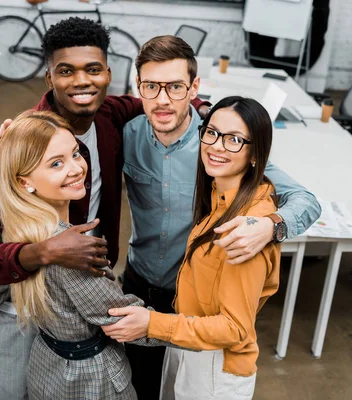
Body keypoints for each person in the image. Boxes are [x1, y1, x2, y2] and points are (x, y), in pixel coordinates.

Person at [0, 18, 208, 400]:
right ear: (49, 78)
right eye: (66, 71)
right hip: (25, 308)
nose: (81, 82)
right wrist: (44, 251)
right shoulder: (15, 147)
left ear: (109, 74)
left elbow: (160, 98)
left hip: (86, 301)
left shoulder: (109, 115)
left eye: (93, 69)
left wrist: (202, 106)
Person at [98, 36, 321, 399]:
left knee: (192, 384)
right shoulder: (128, 135)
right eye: (151, 87)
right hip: (138, 283)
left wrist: (270, 226)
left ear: (194, 87)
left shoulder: (219, 146)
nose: (163, 99)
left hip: (193, 296)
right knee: (143, 385)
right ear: (138, 88)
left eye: (175, 86)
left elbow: (305, 200)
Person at [0, 110, 169, 399]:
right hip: (92, 382)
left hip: (45, 368)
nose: (76, 168)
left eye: (75, 154)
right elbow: (123, 319)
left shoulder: (13, 230)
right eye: (56, 163)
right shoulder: (70, 253)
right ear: (24, 182)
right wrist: (200, 330)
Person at [109, 96, 281, 399]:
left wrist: (152, 323)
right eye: (212, 132)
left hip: (215, 367)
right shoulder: (218, 195)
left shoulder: (245, 229)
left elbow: (234, 328)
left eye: (234, 140)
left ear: (256, 154)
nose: (216, 146)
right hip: (190, 346)